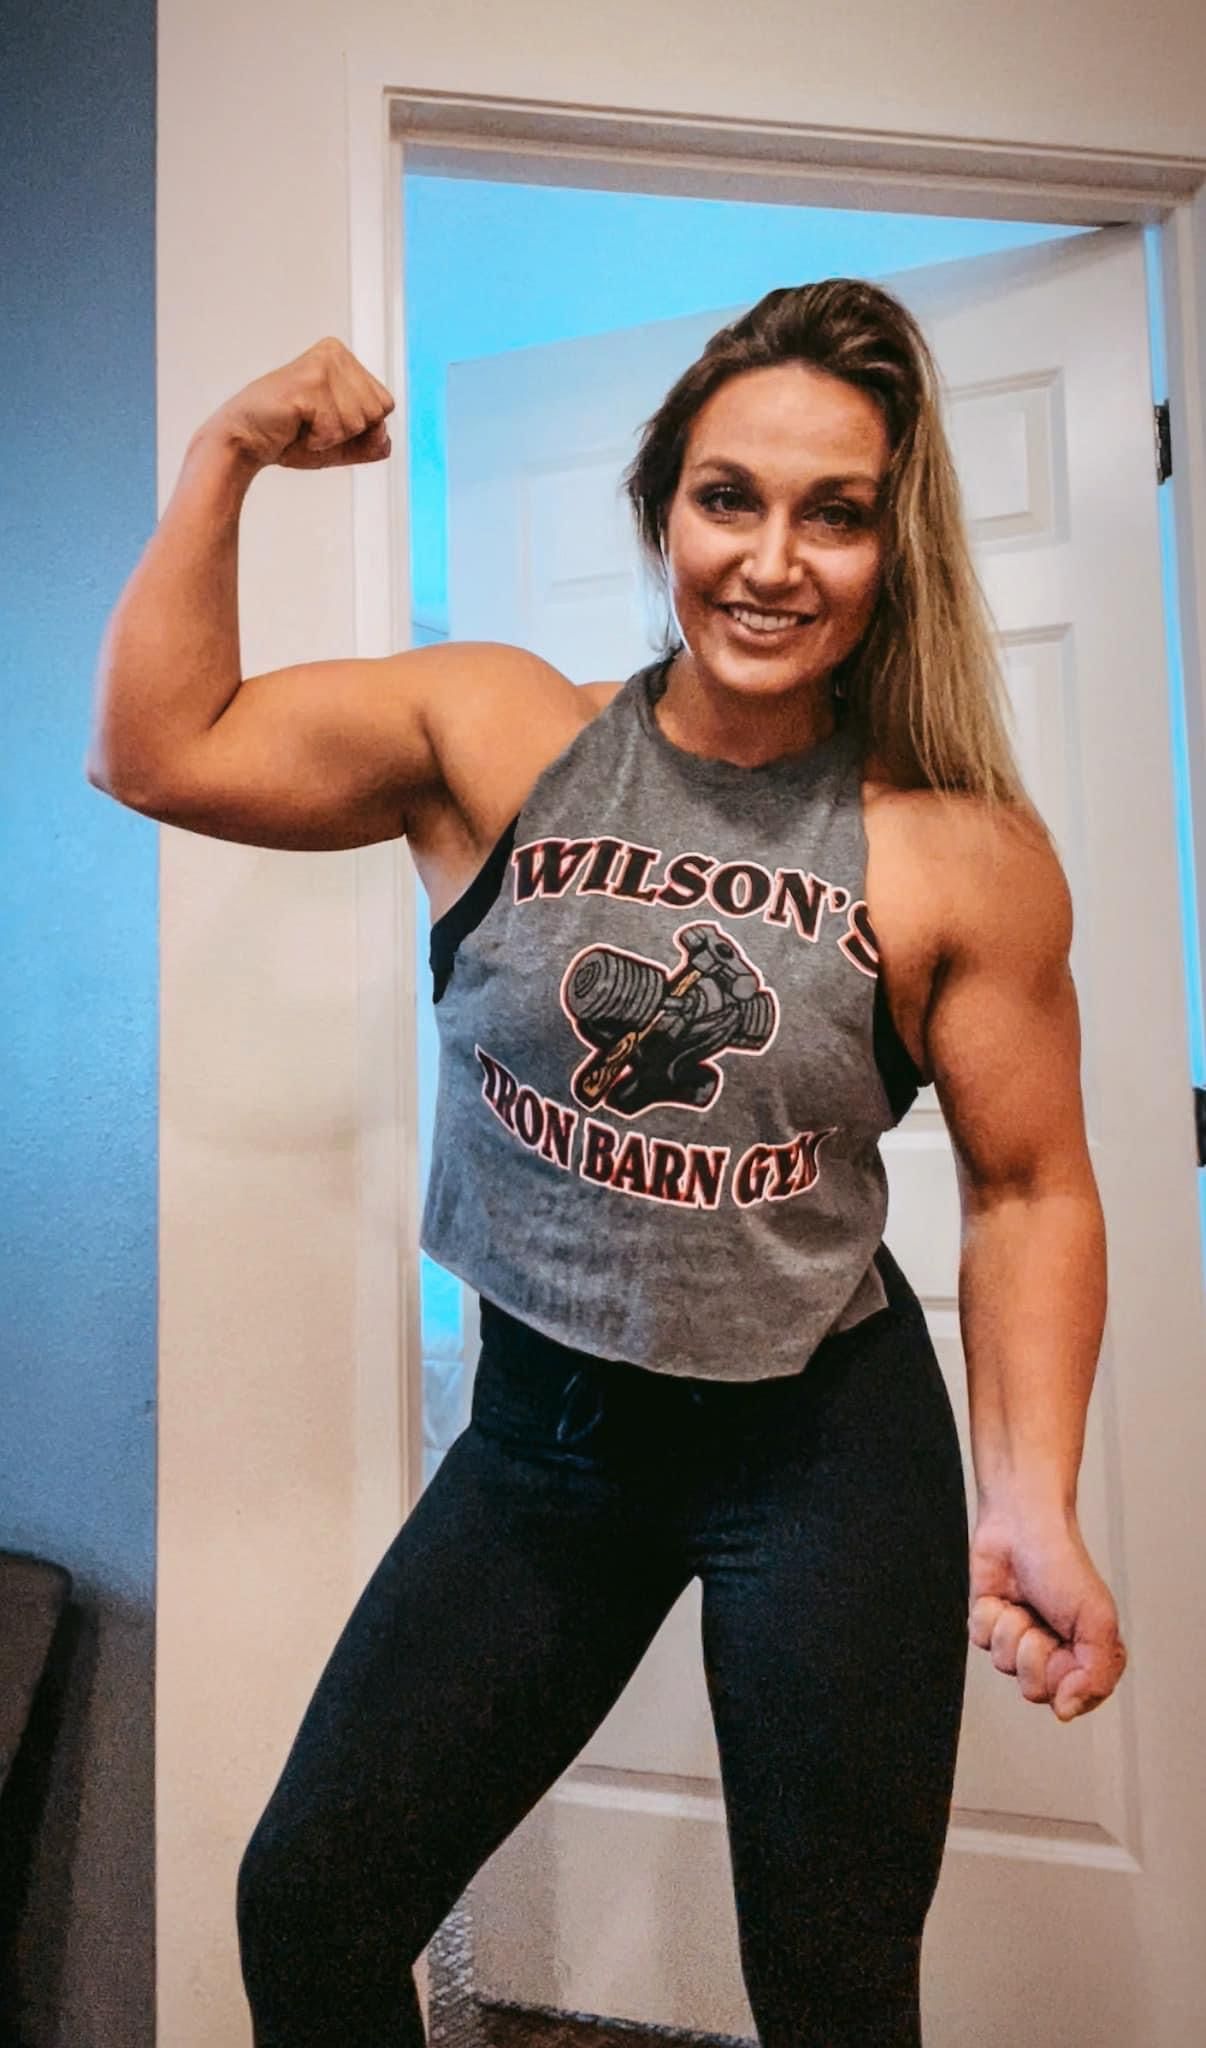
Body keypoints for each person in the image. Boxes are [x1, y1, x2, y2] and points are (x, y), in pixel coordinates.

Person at [88, 280, 1128, 2047]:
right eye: (730, 497)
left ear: (894, 549)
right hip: (547, 1447)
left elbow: (1034, 1189)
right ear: (662, 510)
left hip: (820, 1449)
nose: (772, 559)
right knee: (313, 1902)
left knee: (828, 1981)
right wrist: (228, 456)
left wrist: (1030, 1500)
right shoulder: (499, 733)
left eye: (836, 512)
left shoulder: (954, 850)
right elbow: (155, 749)